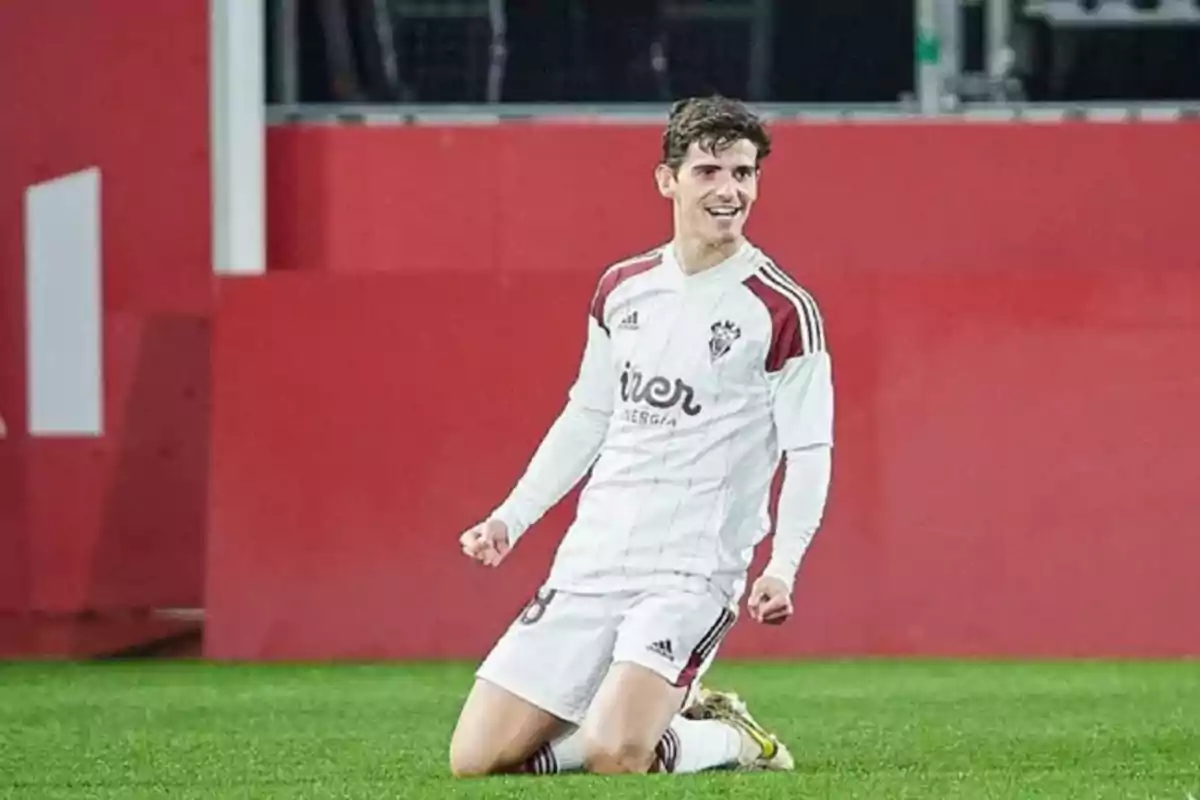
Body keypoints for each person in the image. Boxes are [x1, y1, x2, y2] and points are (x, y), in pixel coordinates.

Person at [449, 95, 834, 777]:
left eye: (744, 174)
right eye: (710, 171)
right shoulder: (621, 289)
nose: (730, 190)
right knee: (476, 760)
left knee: (615, 754)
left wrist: (783, 565)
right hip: (593, 558)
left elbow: (809, 451)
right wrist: (511, 517)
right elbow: (589, 415)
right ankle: (665, 710)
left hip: (691, 570)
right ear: (667, 179)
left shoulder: (781, 308)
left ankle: (735, 740)